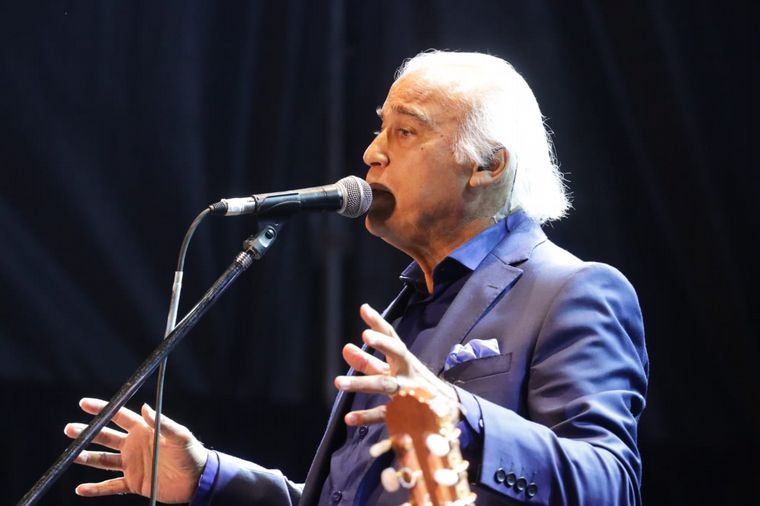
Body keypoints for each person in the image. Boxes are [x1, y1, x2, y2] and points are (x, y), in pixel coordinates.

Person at [64, 50, 649, 505]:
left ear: (488, 165)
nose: (371, 153)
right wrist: (208, 476)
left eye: (405, 132)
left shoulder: (572, 291)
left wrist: (461, 415)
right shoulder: (407, 306)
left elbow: (611, 483)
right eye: (380, 128)